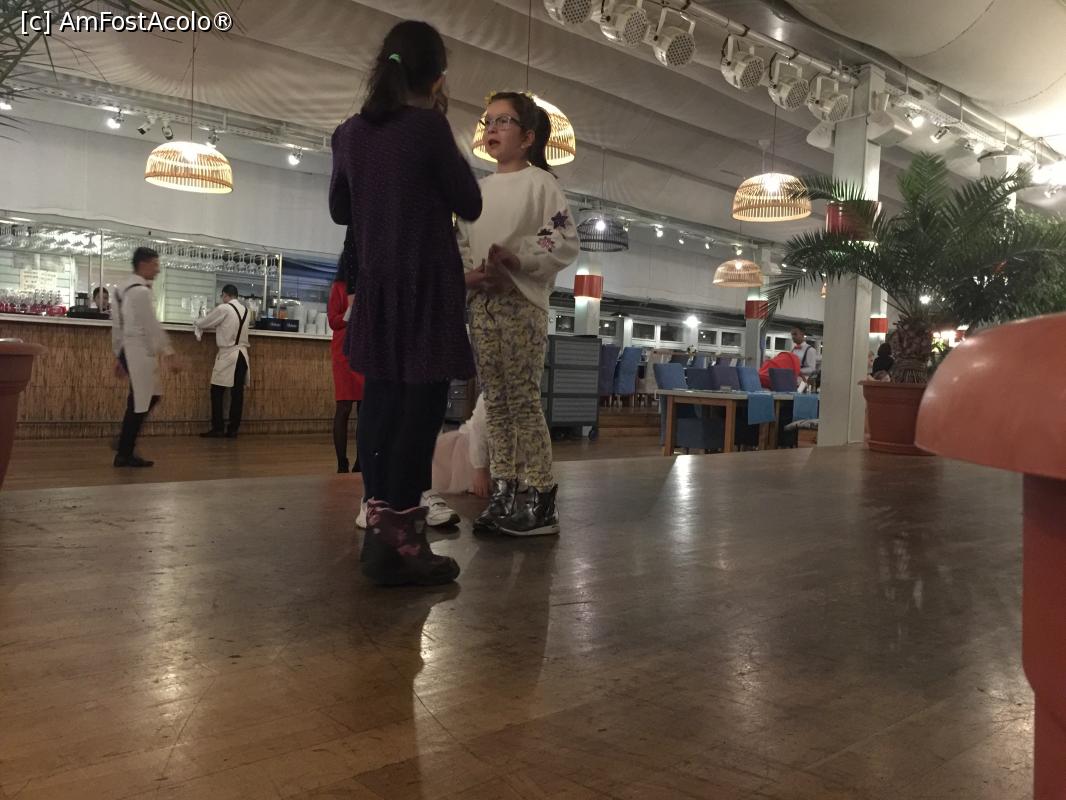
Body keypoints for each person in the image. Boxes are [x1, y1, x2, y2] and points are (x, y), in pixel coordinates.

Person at [329, 20, 482, 586]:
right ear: (438, 77)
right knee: (420, 412)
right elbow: (470, 201)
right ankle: (404, 540)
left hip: (377, 288)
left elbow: (340, 210)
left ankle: (379, 530)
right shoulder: (428, 129)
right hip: (429, 287)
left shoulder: (349, 133)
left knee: (380, 407)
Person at [458, 91, 579, 537]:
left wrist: (517, 261)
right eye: (487, 121)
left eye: (503, 121)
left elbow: (561, 238)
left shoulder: (541, 184)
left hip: (521, 303)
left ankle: (543, 497)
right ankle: (504, 492)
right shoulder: (477, 190)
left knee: (523, 399)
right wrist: (473, 276)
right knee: (495, 399)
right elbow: (462, 243)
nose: (492, 128)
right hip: (483, 305)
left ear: (527, 137)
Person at [111, 247, 178, 467]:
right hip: (140, 350)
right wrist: (169, 353)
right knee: (142, 401)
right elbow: (151, 325)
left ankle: (124, 442)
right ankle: (124, 450)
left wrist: (120, 354)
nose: (158, 270)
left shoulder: (121, 289)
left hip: (130, 349)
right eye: (155, 264)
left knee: (146, 397)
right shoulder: (140, 291)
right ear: (144, 264)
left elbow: (117, 326)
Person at [328, 235, 365, 474]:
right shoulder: (338, 288)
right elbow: (333, 321)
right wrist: (350, 313)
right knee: (343, 408)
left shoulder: (369, 285)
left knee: (365, 409)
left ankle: (361, 462)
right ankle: (341, 462)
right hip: (343, 352)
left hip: (364, 351)